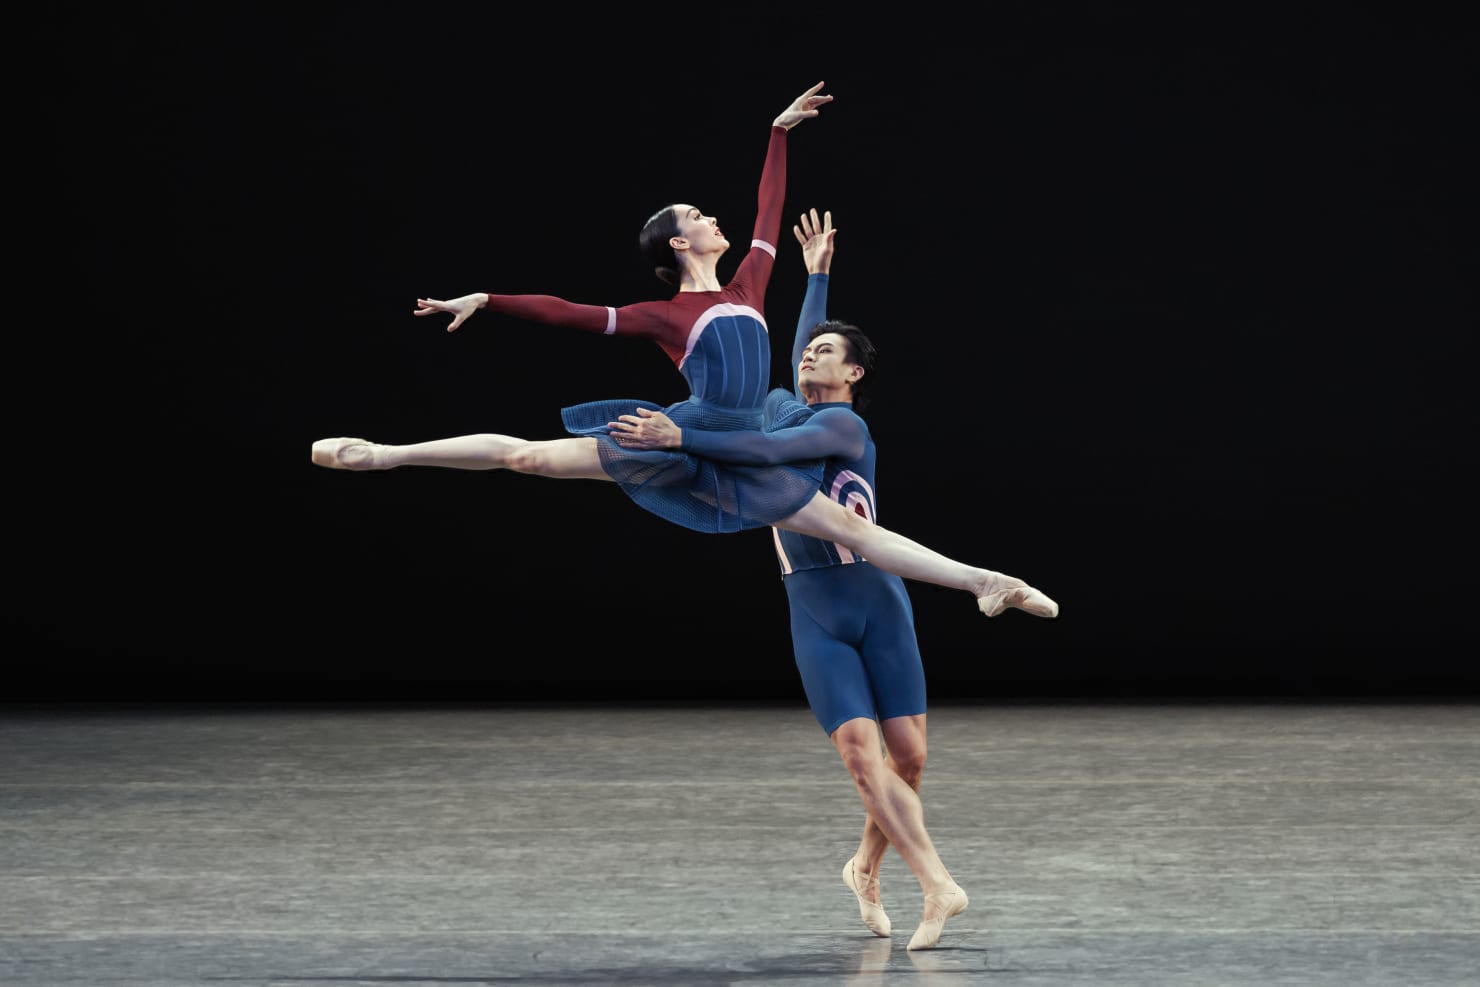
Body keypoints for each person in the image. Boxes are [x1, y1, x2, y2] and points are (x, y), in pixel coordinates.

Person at [311, 81, 1058, 620]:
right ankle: (383, 453)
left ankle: (986, 581)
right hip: (678, 434)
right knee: (529, 458)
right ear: (678, 241)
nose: (711, 218)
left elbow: (769, 209)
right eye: (697, 215)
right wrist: (489, 299)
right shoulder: (666, 316)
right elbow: (568, 312)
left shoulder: (748, 284)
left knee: (852, 530)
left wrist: (778, 134)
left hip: (746, 446)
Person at [608, 207, 968, 950]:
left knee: (909, 759)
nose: (807, 358)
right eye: (805, 353)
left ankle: (863, 868)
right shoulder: (780, 414)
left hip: (879, 601)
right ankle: (938, 885)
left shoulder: (843, 427)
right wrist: (817, 277)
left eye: (825, 354)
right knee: (863, 759)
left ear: (854, 374)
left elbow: (780, 439)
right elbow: (803, 361)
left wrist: (683, 435)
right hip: (815, 610)